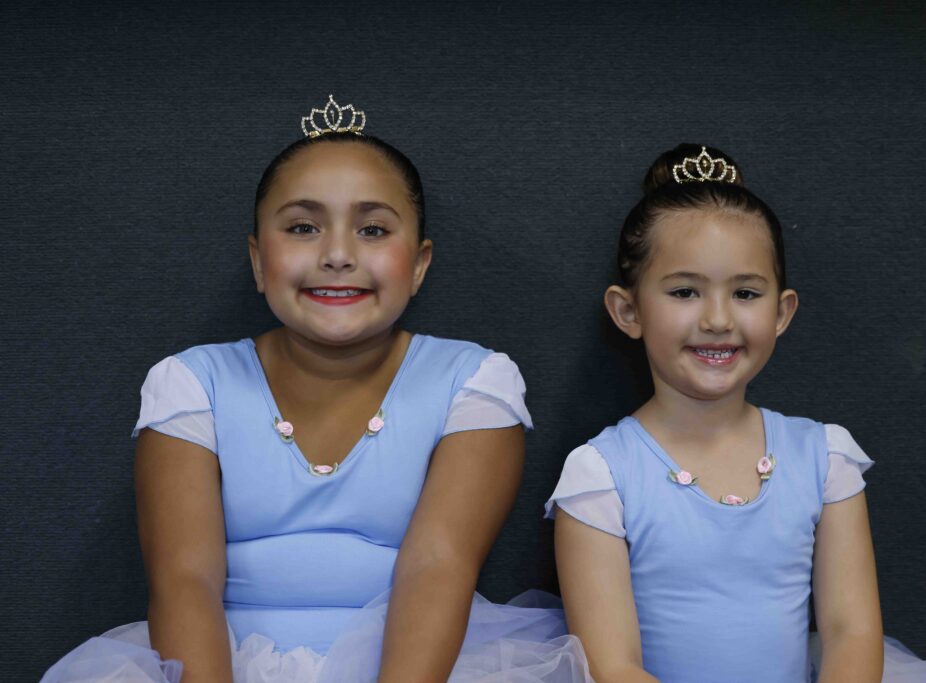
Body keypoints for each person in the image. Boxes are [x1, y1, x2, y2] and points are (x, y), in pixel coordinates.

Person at [42, 96, 591, 683]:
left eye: (373, 230)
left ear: (419, 264)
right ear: (258, 260)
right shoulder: (193, 384)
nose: (337, 256)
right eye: (303, 228)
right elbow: (184, 580)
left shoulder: (472, 381)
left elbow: (439, 566)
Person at [545, 144, 926, 682]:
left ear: (782, 311)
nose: (718, 319)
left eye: (745, 293)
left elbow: (850, 631)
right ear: (629, 311)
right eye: (685, 291)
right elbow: (613, 666)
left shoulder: (822, 458)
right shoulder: (602, 475)